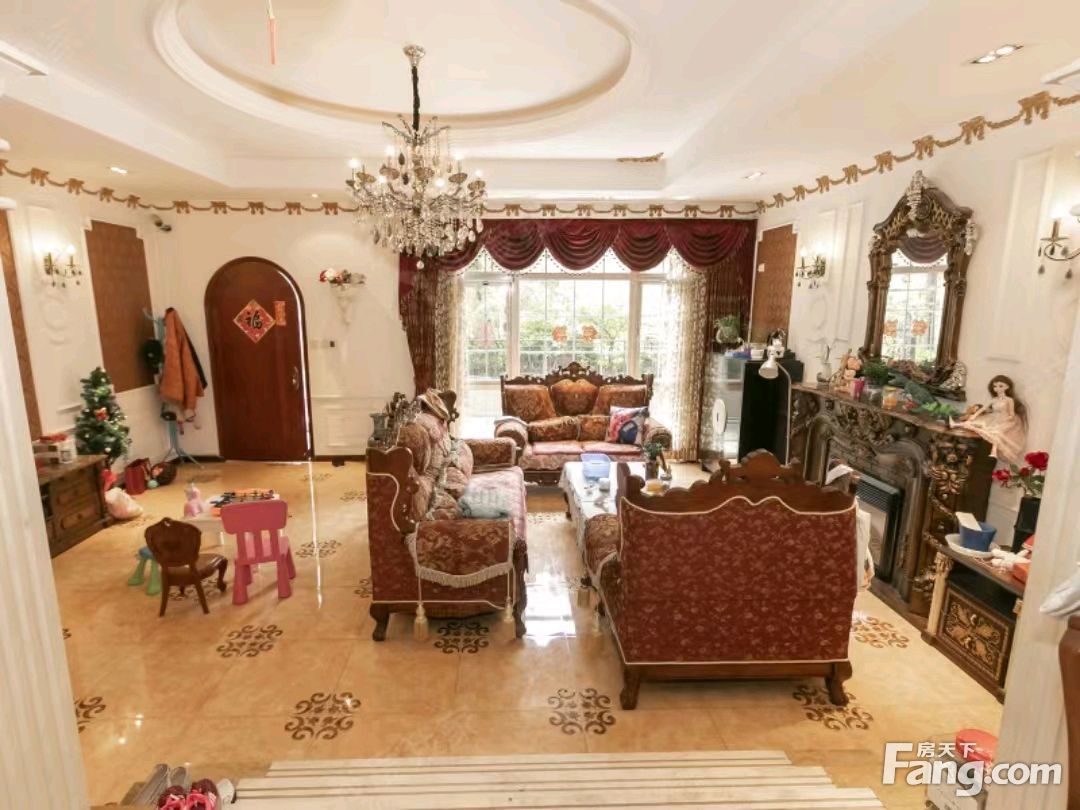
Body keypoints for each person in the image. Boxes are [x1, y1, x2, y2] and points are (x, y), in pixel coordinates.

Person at [951, 375, 1027, 464]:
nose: (997, 388)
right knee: (975, 423)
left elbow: (1011, 414)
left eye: (1000, 386)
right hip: (994, 418)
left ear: (1007, 387)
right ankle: (955, 424)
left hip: (1005, 419)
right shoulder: (994, 399)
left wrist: (1006, 419)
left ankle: (993, 452)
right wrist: (974, 415)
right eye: (995, 386)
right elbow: (983, 408)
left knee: (996, 433)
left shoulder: (1009, 400)